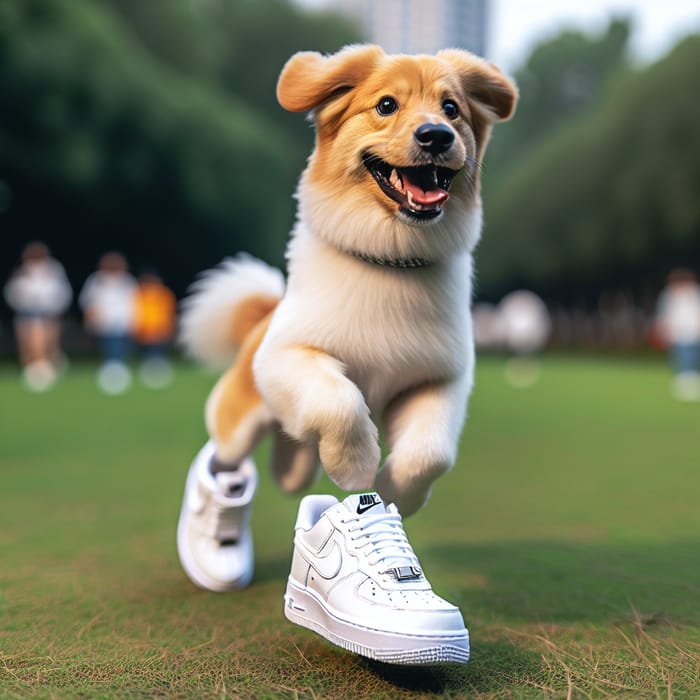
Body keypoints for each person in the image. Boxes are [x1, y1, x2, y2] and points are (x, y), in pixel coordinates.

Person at [3, 242, 72, 392]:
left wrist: (52, 306)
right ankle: (32, 372)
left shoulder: (53, 271)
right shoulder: (21, 272)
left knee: (44, 344)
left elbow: (61, 292)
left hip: (47, 313)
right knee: (28, 345)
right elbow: (12, 293)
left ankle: (46, 370)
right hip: (26, 313)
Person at [79, 252, 137, 395]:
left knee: (118, 348)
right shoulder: (96, 281)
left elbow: (133, 302)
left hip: (122, 322)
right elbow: (87, 301)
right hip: (103, 322)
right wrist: (92, 317)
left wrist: (133, 320)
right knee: (109, 348)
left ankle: (116, 372)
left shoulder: (126, 281)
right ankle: (111, 373)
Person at [655, 268, 700, 401]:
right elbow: (664, 315)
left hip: (694, 333)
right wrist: (664, 331)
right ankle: (685, 385)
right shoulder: (669, 295)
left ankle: (689, 383)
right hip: (677, 333)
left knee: (692, 359)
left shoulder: (696, 293)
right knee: (683, 359)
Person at [132, 269, 177, 388]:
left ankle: (159, 375)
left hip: (160, 329)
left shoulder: (163, 294)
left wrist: (166, 328)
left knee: (158, 353)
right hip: (144, 330)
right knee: (148, 354)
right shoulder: (138, 294)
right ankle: (149, 375)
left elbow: (168, 312)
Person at [498, 289, 551, 388]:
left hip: (527, 338)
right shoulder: (513, 310)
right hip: (517, 338)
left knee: (525, 354)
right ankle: (520, 368)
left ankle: (524, 368)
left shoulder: (533, 309)